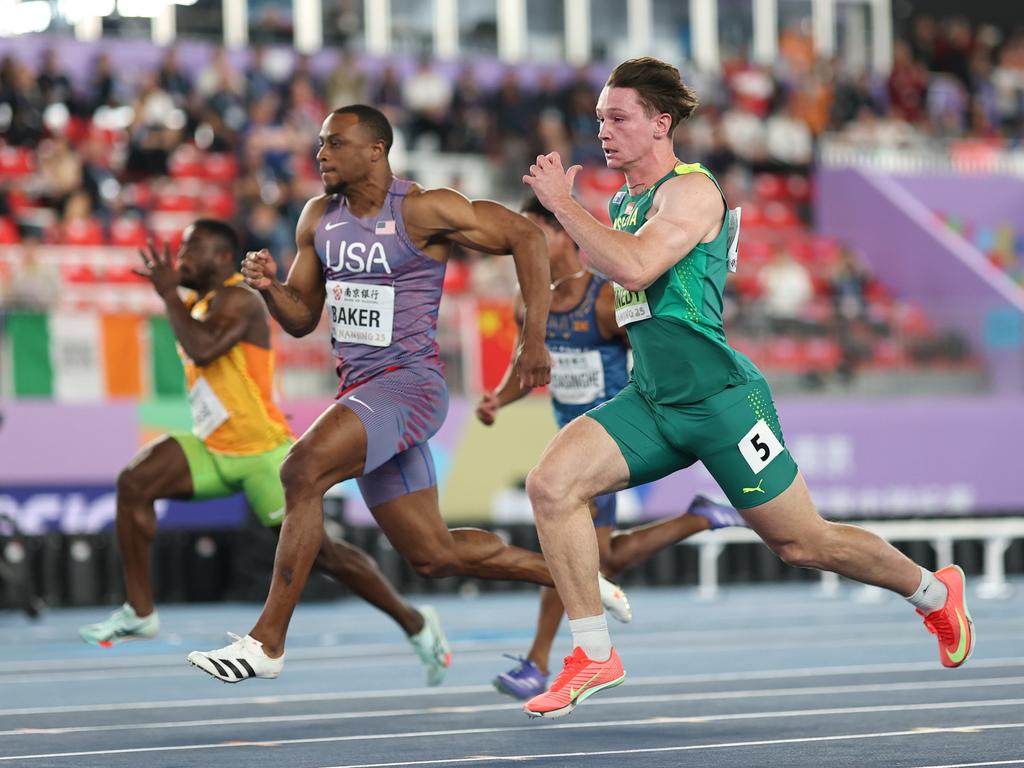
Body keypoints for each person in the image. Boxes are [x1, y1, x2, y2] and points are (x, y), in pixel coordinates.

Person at [519, 57, 975, 718]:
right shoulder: (622, 200)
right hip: (653, 401)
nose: (606, 132)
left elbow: (637, 264)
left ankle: (934, 593)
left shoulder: (692, 191)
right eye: (599, 121)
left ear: (660, 123)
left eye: (619, 118)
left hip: (723, 403)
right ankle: (592, 652)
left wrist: (563, 205)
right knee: (550, 485)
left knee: (801, 543)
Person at [186, 105, 627, 683]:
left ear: (375, 149)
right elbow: (301, 317)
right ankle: (576, 574)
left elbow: (526, 236)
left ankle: (267, 643)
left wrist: (532, 340)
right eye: (319, 144)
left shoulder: (423, 210)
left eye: (334, 143)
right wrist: (271, 289)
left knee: (301, 470)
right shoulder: (318, 217)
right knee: (434, 554)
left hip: (410, 387)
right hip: (362, 391)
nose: (321, 154)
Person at [78, 219, 452, 686]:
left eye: (190, 251)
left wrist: (168, 294)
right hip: (213, 446)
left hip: (261, 452)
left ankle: (416, 624)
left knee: (327, 557)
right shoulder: (202, 300)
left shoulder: (239, 299)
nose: (180, 260)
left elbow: (202, 349)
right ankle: (140, 610)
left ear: (219, 259)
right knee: (134, 482)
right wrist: (177, 294)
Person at [478, 195, 749, 700]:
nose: (527, 247)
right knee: (601, 559)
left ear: (563, 235)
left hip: (607, 442)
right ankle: (699, 518)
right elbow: (531, 363)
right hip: (567, 440)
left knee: (569, 554)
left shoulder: (604, 301)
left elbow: (654, 351)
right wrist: (500, 398)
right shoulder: (526, 301)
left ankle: (538, 662)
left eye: (536, 234)